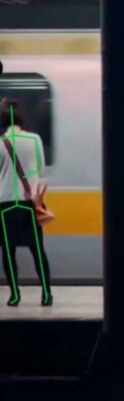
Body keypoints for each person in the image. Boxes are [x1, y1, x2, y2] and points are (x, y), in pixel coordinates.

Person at [0, 99, 52, 307]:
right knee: (37, 250)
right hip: (28, 202)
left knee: (8, 251)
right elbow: (40, 168)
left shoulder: (0, 142)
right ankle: (46, 294)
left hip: (5, 203)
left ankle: (15, 295)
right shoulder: (35, 139)